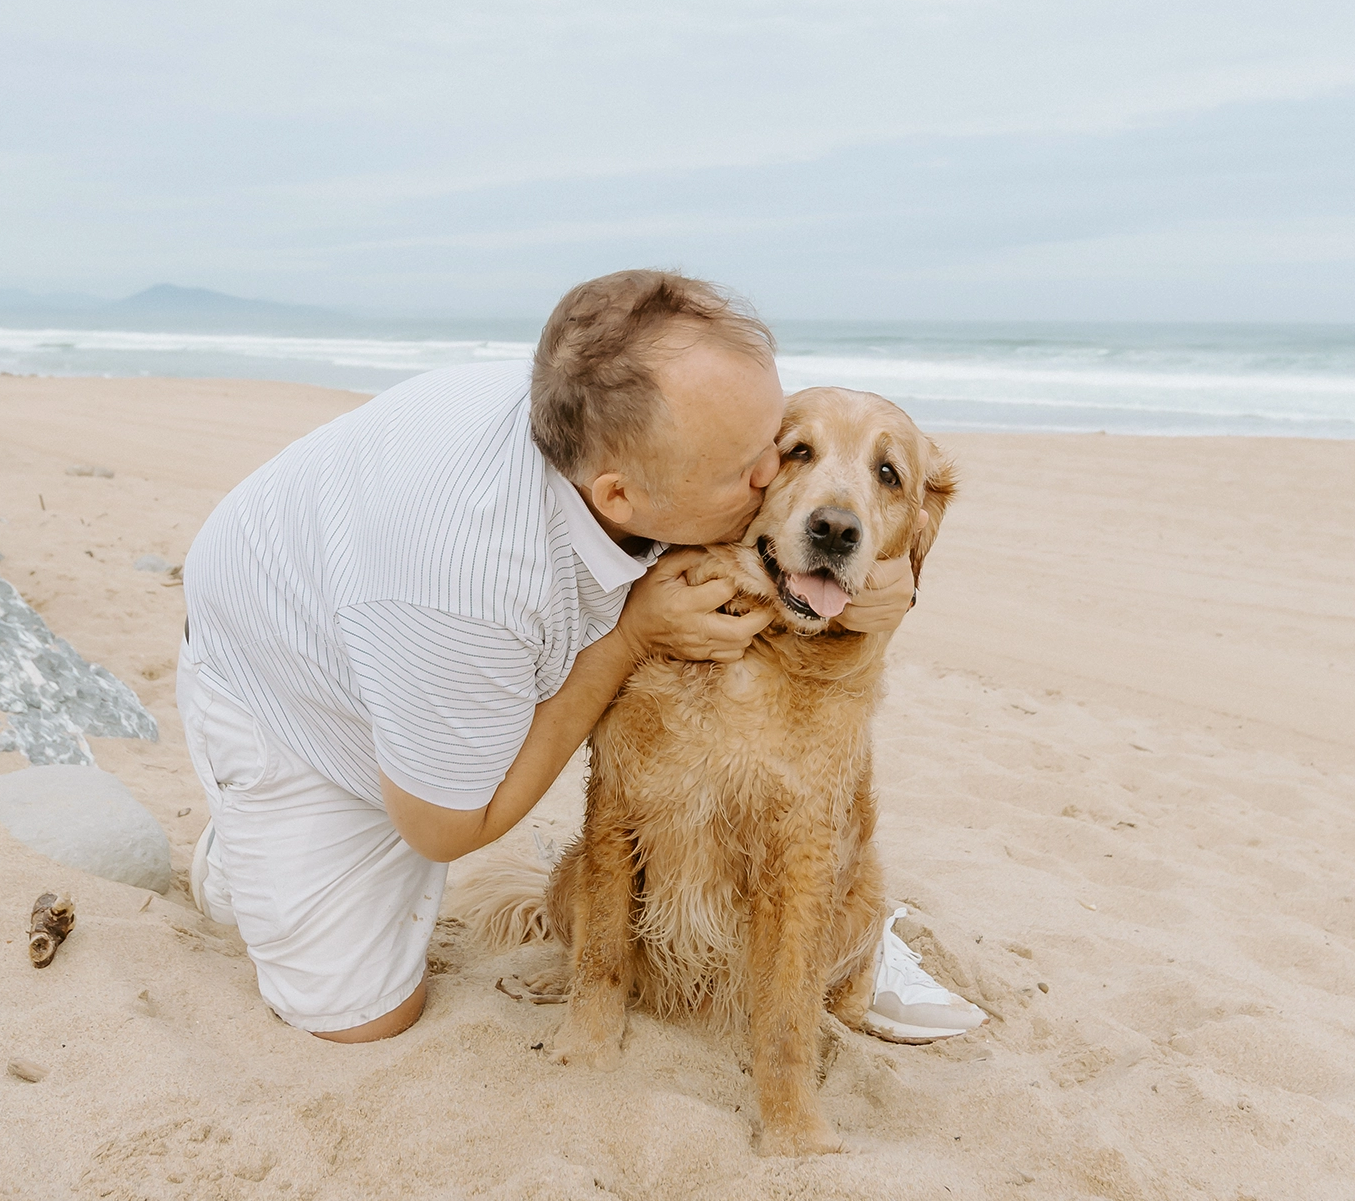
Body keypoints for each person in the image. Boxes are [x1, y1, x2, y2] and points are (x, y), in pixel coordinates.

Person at [177, 270, 981, 1044]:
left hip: (425, 653)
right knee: (365, 1018)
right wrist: (631, 634)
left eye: (773, 439)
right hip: (294, 697)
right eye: (758, 465)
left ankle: (850, 935)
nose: (777, 480)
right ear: (618, 496)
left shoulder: (630, 414)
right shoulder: (464, 578)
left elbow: (854, 521)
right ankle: (249, 846)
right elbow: (446, 829)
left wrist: (889, 590)